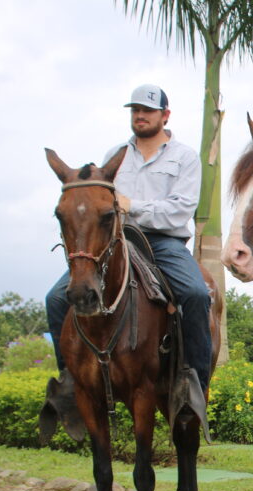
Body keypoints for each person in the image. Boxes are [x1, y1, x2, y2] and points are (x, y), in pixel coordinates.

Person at [45, 84, 212, 394]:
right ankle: (69, 382)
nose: (140, 116)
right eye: (135, 110)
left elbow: (180, 210)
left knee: (196, 294)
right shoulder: (115, 155)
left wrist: (132, 206)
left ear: (165, 115)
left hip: (164, 243)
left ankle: (193, 386)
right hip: (116, 242)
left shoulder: (184, 157)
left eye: (147, 111)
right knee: (55, 299)